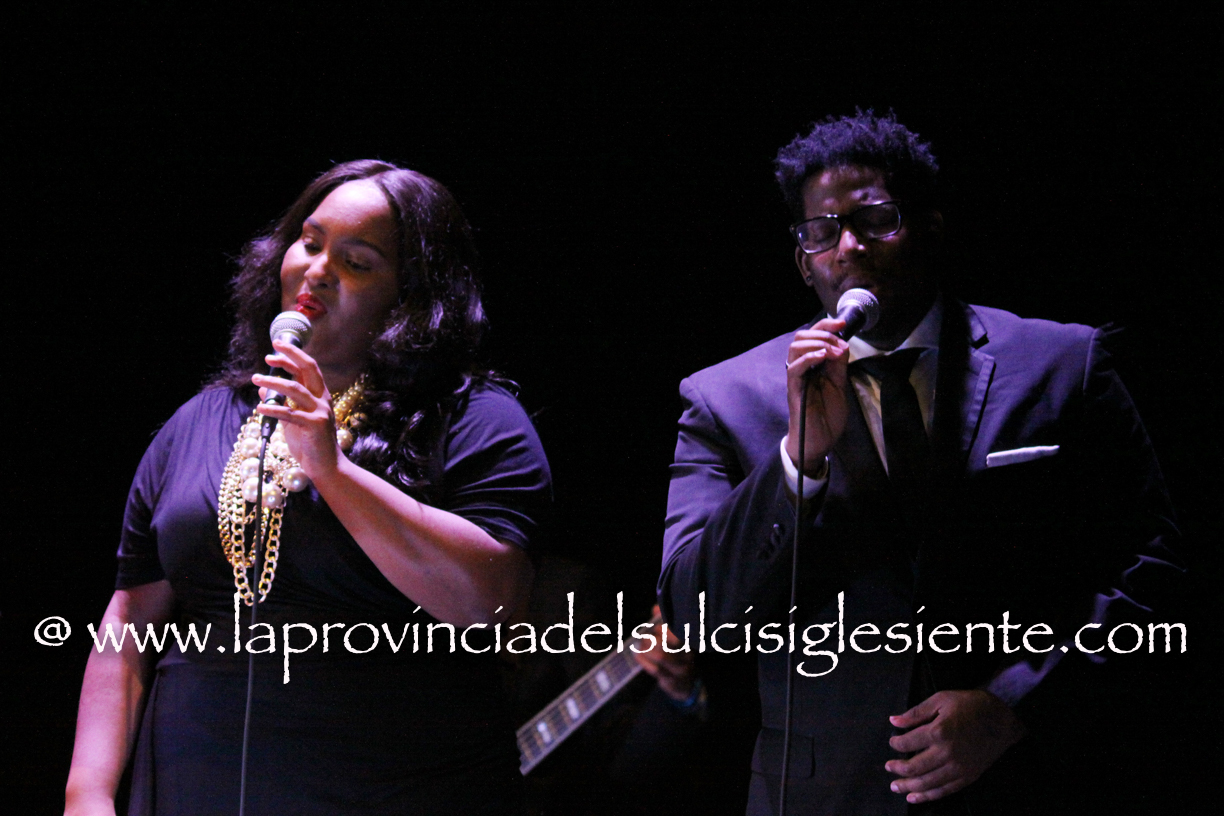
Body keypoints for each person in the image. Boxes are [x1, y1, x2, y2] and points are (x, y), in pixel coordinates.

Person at [657, 112, 1182, 815]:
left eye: (876, 219)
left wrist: (1015, 704)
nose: (849, 246)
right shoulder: (725, 398)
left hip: (1026, 778)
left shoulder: (1062, 363)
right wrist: (797, 463)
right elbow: (695, 615)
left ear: (931, 227)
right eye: (822, 232)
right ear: (803, 261)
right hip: (825, 798)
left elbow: (1156, 571)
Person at [64, 160, 552, 815]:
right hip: (195, 791)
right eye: (311, 242)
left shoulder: (473, 418)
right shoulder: (197, 424)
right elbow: (128, 623)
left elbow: (493, 605)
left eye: (357, 261)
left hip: (400, 790)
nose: (318, 270)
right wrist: (88, 791)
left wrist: (332, 470)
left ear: (409, 297)